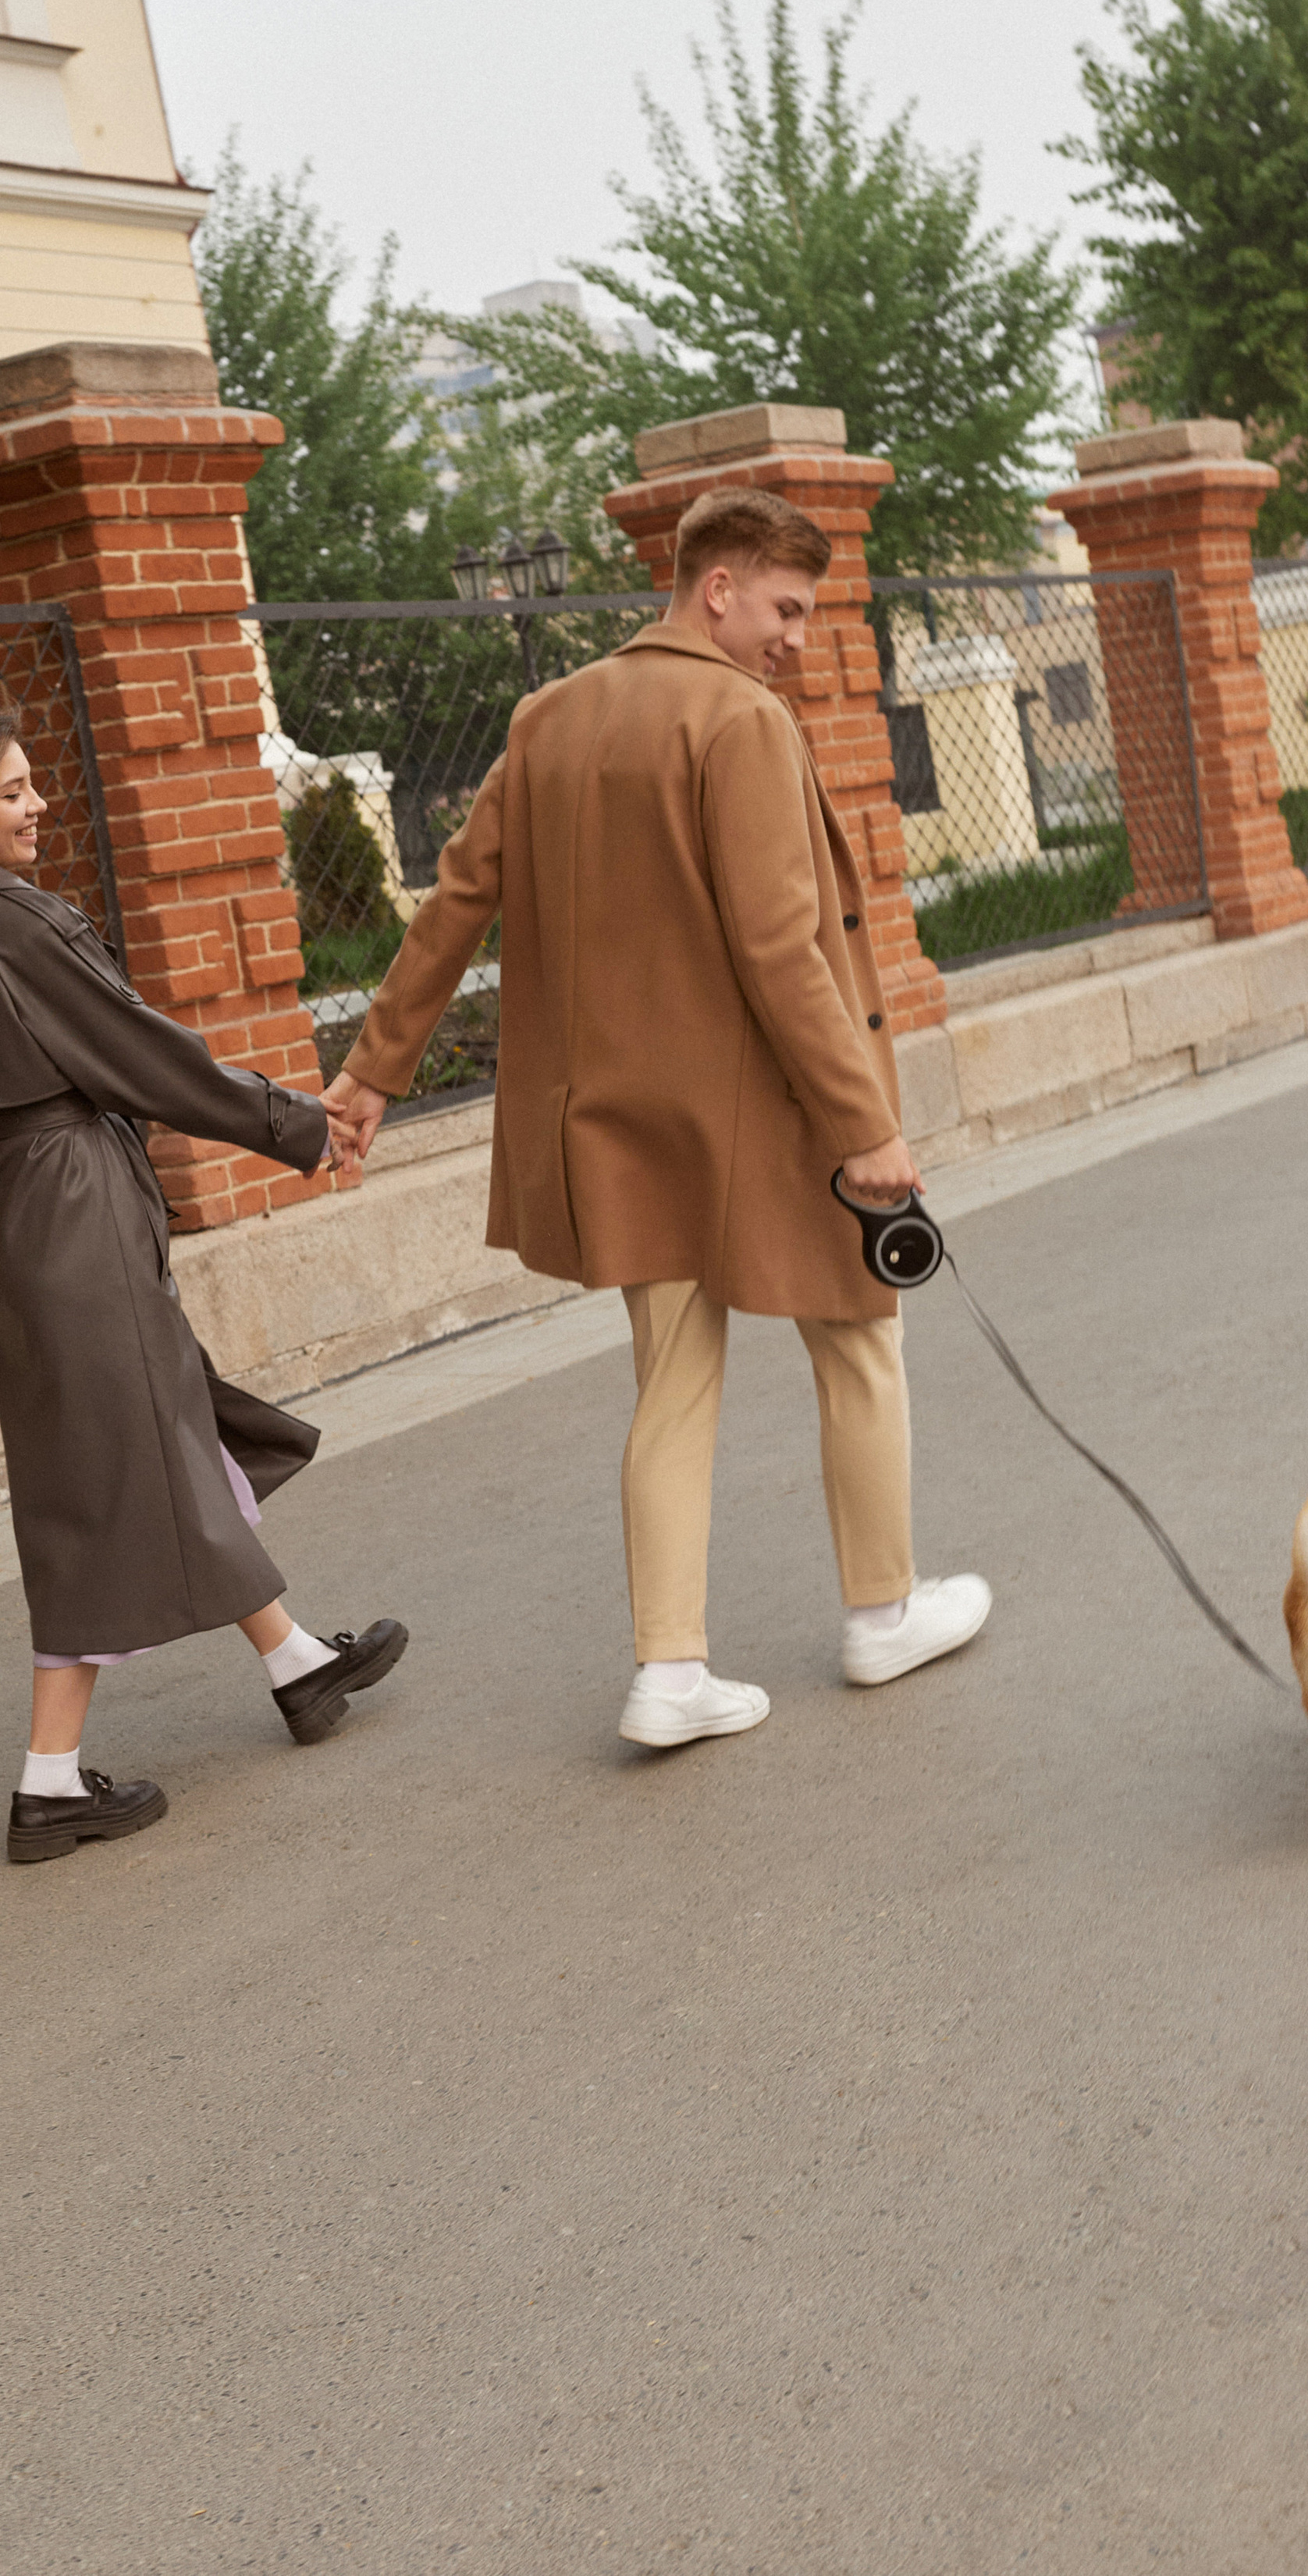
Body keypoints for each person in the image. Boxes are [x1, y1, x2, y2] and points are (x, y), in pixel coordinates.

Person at [322, 486, 989, 1749]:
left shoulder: (550, 716)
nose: (799, 637)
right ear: (718, 586)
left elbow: (455, 901)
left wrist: (371, 1073)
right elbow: (783, 950)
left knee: (672, 1382)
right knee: (858, 1339)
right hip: (769, 1114)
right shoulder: (736, 719)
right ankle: (881, 1612)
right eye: (787, 609)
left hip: (624, 1121)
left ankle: (669, 1674)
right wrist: (864, 1124)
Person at [0, 711, 407, 1862]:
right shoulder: (14, 925)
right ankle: (50, 1784)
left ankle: (299, 1666)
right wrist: (301, 1127)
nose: (38, 805)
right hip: (73, 1204)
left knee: (154, 1428)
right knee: (106, 1474)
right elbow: (147, 1056)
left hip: (18, 1217)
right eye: (13, 793)